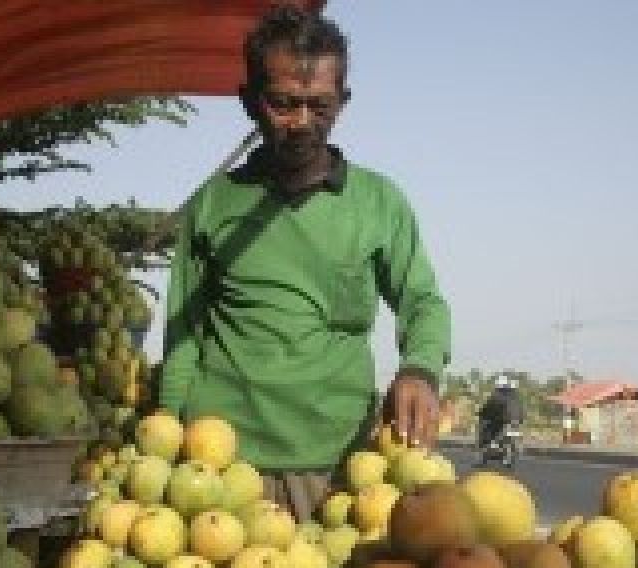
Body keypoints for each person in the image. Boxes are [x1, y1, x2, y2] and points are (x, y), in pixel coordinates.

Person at [158, 5, 451, 522]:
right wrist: (166, 441)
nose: (300, 123)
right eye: (283, 104)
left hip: (337, 468)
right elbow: (182, 337)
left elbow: (422, 300)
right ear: (250, 102)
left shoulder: (379, 203)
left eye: (320, 106)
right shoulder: (213, 203)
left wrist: (420, 370)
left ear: (343, 101)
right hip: (224, 471)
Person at [478, 374, 524, 450]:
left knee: (489, 427)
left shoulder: (497, 395)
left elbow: (488, 407)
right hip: (518, 420)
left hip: (504, 419)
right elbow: (520, 409)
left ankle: (492, 444)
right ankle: (496, 444)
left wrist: (482, 413)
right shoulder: (516, 397)